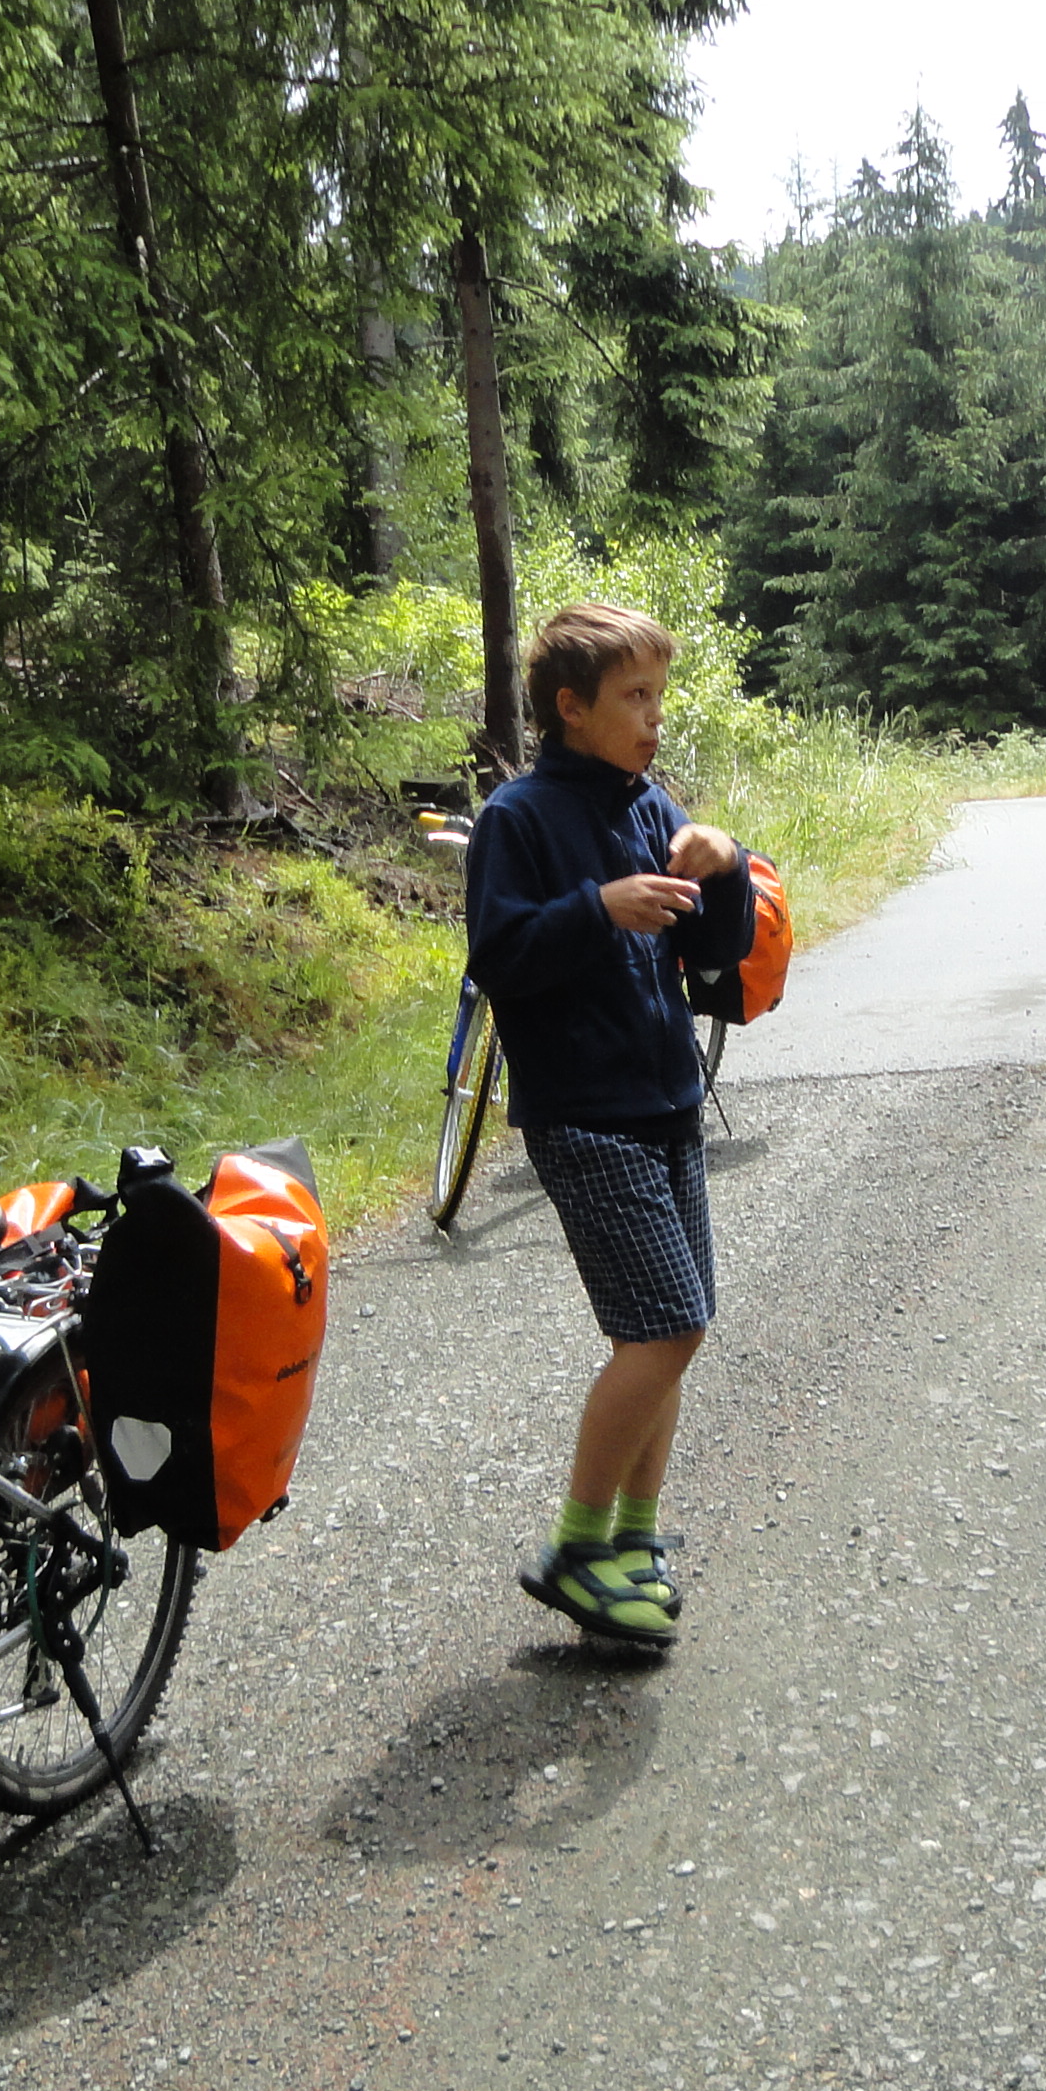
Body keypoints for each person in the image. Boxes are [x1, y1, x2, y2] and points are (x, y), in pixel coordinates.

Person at [461, 601, 757, 1642]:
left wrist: (724, 865)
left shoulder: (647, 804)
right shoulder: (518, 819)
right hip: (585, 1114)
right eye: (635, 697)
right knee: (667, 1327)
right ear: (570, 707)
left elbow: (711, 955)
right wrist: (598, 910)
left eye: (659, 696)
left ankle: (634, 1536)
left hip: (666, 1099)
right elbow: (500, 958)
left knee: (667, 1336)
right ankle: (579, 1546)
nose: (655, 717)